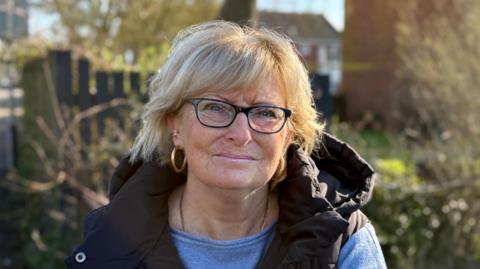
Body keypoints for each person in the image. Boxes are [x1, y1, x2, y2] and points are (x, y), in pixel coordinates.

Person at [65, 21, 387, 269]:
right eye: (215, 108)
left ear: (289, 135)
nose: (241, 134)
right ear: (174, 125)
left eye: (265, 113)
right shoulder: (111, 242)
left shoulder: (342, 242)